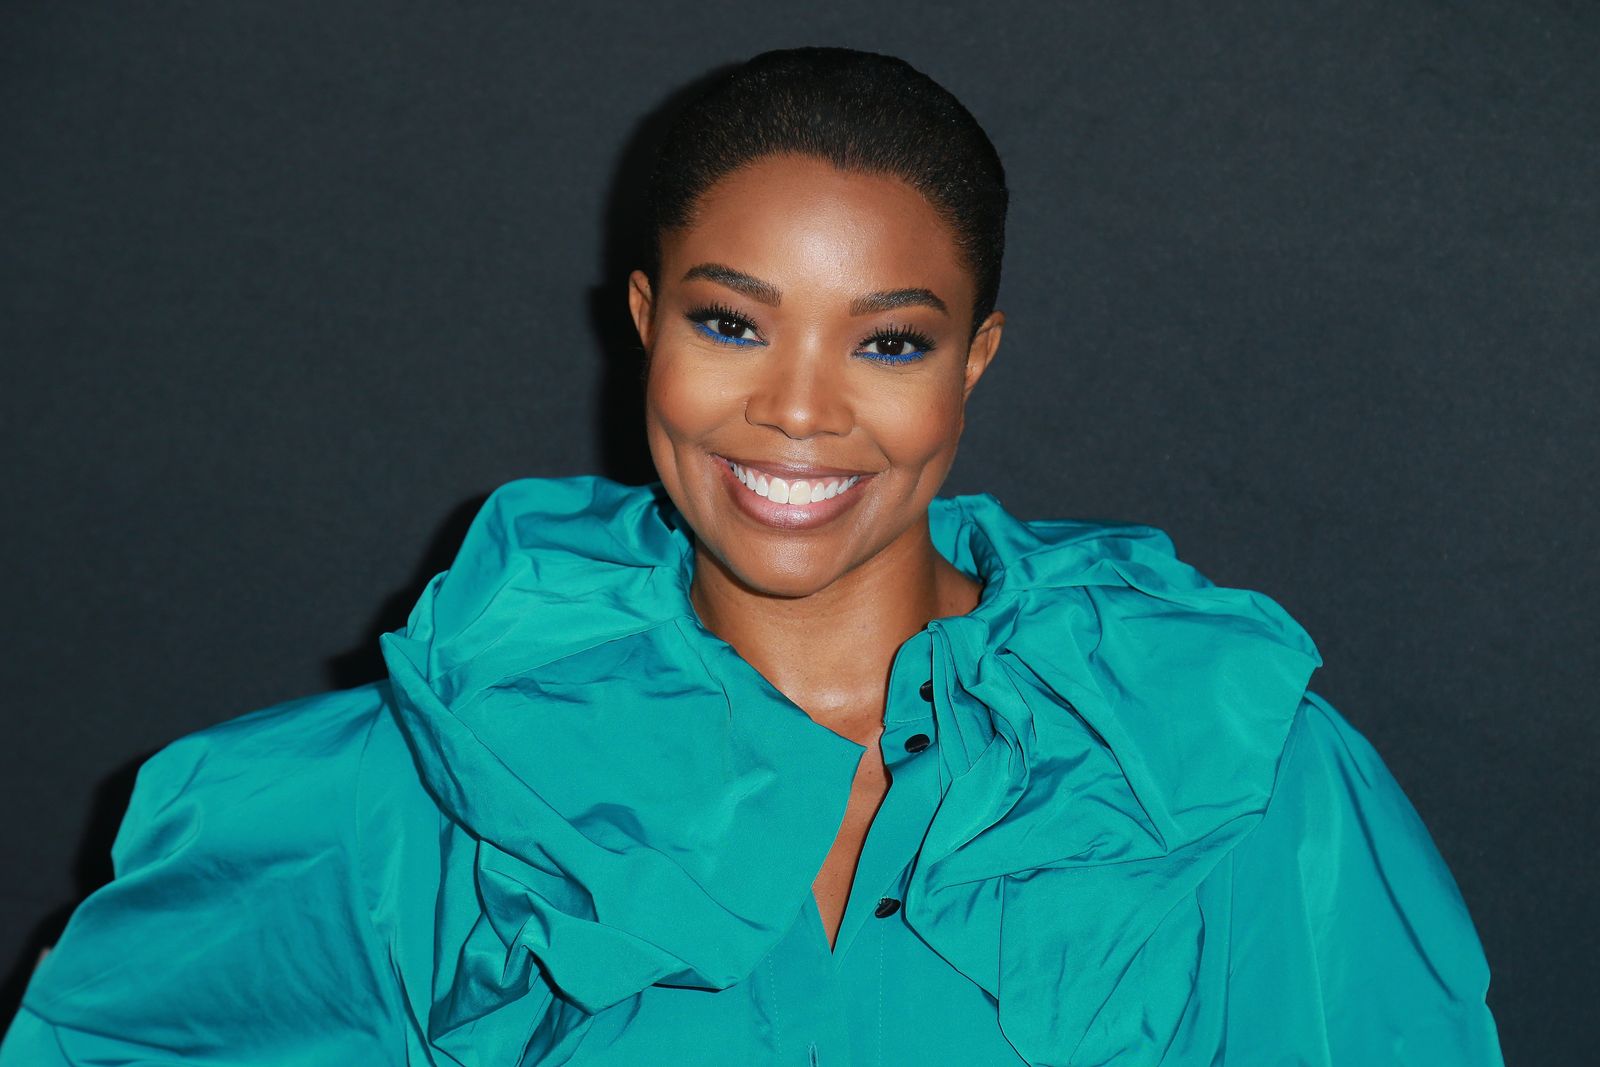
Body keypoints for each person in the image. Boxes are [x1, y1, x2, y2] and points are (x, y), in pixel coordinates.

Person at [1, 47, 1502, 1066]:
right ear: (645, 319)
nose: (795, 408)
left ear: (974, 362)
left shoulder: (1221, 771)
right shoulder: (442, 786)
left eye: (891, 341)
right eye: (733, 320)